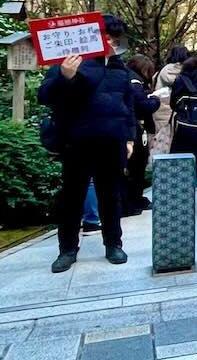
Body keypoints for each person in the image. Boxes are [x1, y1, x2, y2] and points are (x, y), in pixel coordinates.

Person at [39, 15, 140, 273]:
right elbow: (46, 95)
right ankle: (67, 250)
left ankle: (113, 244)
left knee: (111, 196)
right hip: (77, 141)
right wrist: (65, 75)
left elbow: (128, 105)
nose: (110, 42)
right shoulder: (70, 62)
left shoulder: (120, 68)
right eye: (105, 36)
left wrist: (129, 137)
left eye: (114, 38)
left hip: (111, 140)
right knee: (72, 197)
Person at [124, 55, 161, 216]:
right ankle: (133, 200)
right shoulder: (135, 84)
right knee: (136, 166)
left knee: (133, 167)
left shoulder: (125, 78)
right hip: (137, 129)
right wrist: (155, 99)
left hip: (129, 127)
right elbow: (143, 105)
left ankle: (133, 199)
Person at [149, 46, 188, 161]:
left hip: (160, 108)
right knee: (169, 141)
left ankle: (156, 165)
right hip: (172, 109)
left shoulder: (163, 69)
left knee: (159, 140)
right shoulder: (181, 71)